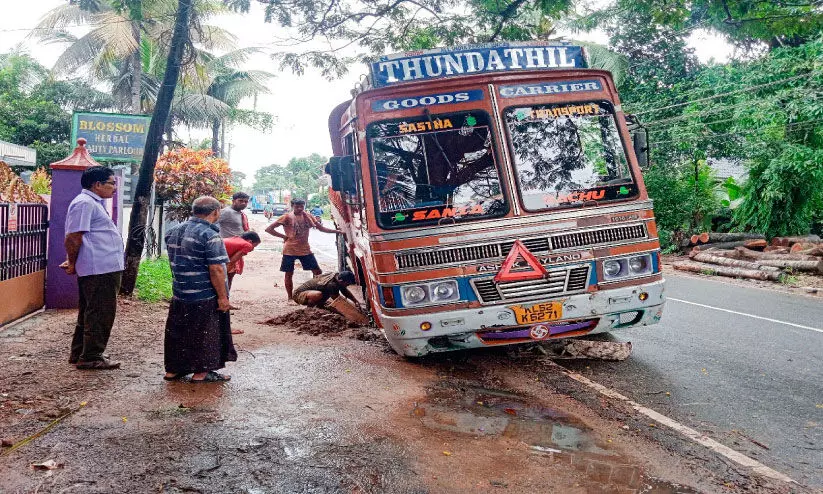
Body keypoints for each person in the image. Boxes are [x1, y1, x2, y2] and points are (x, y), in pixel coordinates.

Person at [163, 196, 236, 383]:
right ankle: (202, 372)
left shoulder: (173, 231)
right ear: (216, 212)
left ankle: (173, 370)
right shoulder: (210, 235)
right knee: (206, 333)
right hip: (204, 294)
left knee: (178, 331)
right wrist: (222, 298)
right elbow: (216, 269)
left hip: (180, 291)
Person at [60, 166, 124, 370]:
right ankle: (91, 356)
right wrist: (71, 262)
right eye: (111, 183)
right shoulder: (85, 203)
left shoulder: (92, 203)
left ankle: (81, 352)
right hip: (100, 268)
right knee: (100, 312)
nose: (115, 188)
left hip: (102, 266)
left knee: (90, 311)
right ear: (97, 185)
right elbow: (73, 236)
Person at [265, 198, 343, 300]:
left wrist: (337, 231)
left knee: (317, 272)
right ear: (292, 206)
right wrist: (284, 237)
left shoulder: (308, 216)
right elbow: (269, 229)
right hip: (290, 250)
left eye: (302, 206)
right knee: (289, 273)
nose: (300, 208)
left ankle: (317, 293)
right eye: (297, 206)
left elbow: (321, 228)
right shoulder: (286, 217)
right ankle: (290, 298)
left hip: (305, 249)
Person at [223, 231, 261, 331]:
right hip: (219, 261)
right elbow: (231, 262)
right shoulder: (247, 245)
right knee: (223, 286)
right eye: (255, 246)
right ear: (250, 241)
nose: (253, 249)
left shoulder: (236, 239)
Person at [293, 271, 361, 309]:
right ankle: (309, 310)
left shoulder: (337, 277)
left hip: (308, 293)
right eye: (347, 283)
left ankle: (319, 306)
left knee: (325, 294)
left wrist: (355, 301)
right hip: (298, 294)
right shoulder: (332, 284)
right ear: (341, 281)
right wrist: (351, 309)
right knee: (318, 295)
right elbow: (338, 300)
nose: (348, 285)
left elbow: (345, 291)